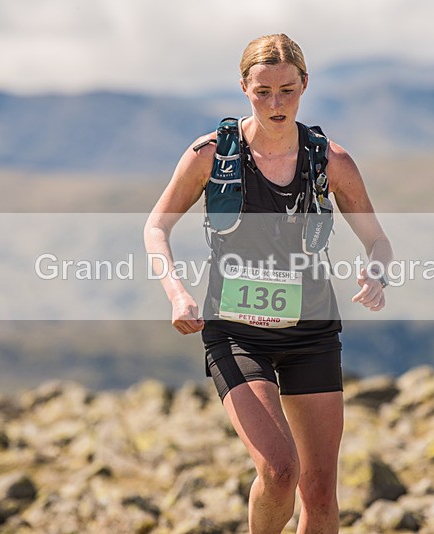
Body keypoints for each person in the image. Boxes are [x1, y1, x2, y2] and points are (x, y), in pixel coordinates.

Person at [144, 33, 391, 533]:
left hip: (312, 333)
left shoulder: (332, 162)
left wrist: (376, 271)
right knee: (279, 471)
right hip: (236, 333)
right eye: (262, 92)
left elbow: (378, 241)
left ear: (305, 85)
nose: (276, 104)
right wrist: (177, 293)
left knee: (320, 493)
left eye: (287, 90)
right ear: (243, 88)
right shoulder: (210, 155)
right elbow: (156, 227)